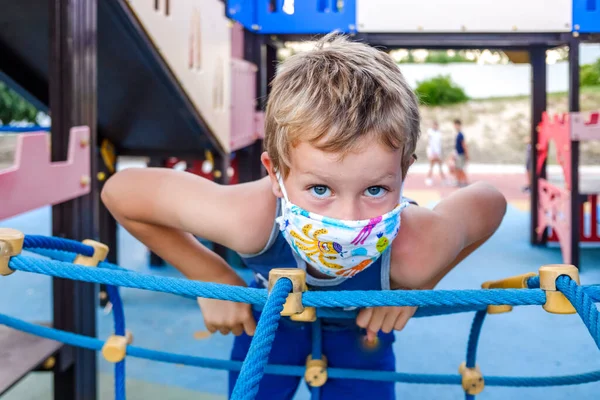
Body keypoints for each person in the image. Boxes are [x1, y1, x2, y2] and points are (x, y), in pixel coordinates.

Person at [101, 34, 507, 400]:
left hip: (362, 328)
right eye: (320, 189)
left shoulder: (415, 247)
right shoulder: (250, 218)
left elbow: (490, 203)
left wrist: (419, 286)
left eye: (374, 189)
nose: (348, 219)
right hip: (269, 318)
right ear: (275, 174)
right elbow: (120, 193)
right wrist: (211, 277)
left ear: (404, 172)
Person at [425, 120, 446, 186]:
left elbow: (439, 144)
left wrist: (439, 152)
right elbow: (430, 143)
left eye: (436, 125)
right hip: (432, 152)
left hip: (438, 152)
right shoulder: (430, 132)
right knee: (432, 165)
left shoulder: (439, 133)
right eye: (434, 125)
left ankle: (443, 179)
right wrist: (432, 153)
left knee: (439, 166)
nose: (435, 126)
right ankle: (429, 179)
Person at [453, 119, 469, 187]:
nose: (455, 127)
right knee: (457, 168)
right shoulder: (457, 134)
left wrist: (467, 154)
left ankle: (464, 181)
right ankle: (459, 181)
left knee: (460, 168)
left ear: (459, 125)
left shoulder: (460, 135)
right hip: (457, 154)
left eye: (456, 125)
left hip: (461, 154)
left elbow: (464, 145)